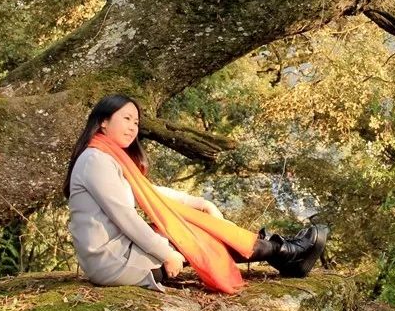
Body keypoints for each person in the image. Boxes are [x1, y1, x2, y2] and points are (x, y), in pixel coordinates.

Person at [64, 94, 328, 294]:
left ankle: (283, 253)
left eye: (136, 121)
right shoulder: (96, 160)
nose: (133, 127)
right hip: (114, 262)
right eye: (126, 119)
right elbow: (125, 218)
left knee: (191, 228)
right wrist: (166, 253)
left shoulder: (109, 158)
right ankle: (285, 252)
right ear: (102, 123)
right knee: (193, 235)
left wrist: (200, 203)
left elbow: (151, 193)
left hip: (122, 251)